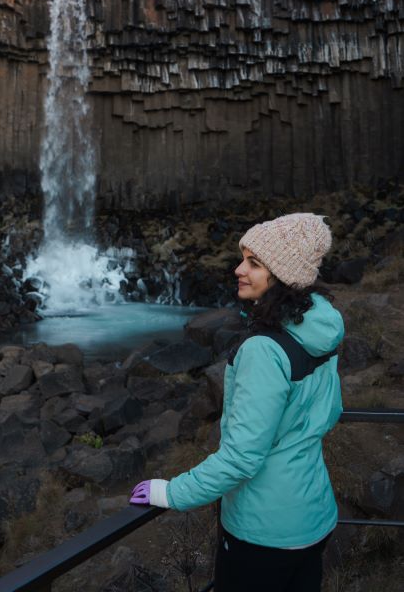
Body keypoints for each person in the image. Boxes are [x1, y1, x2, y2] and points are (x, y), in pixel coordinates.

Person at [129, 212, 344, 592]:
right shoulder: (320, 329)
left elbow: (242, 457)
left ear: (283, 275)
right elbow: (330, 411)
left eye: (254, 263)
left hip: (264, 531)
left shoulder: (264, 350)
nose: (238, 269)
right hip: (314, 516)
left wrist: (172, 492)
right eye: (243, 258)